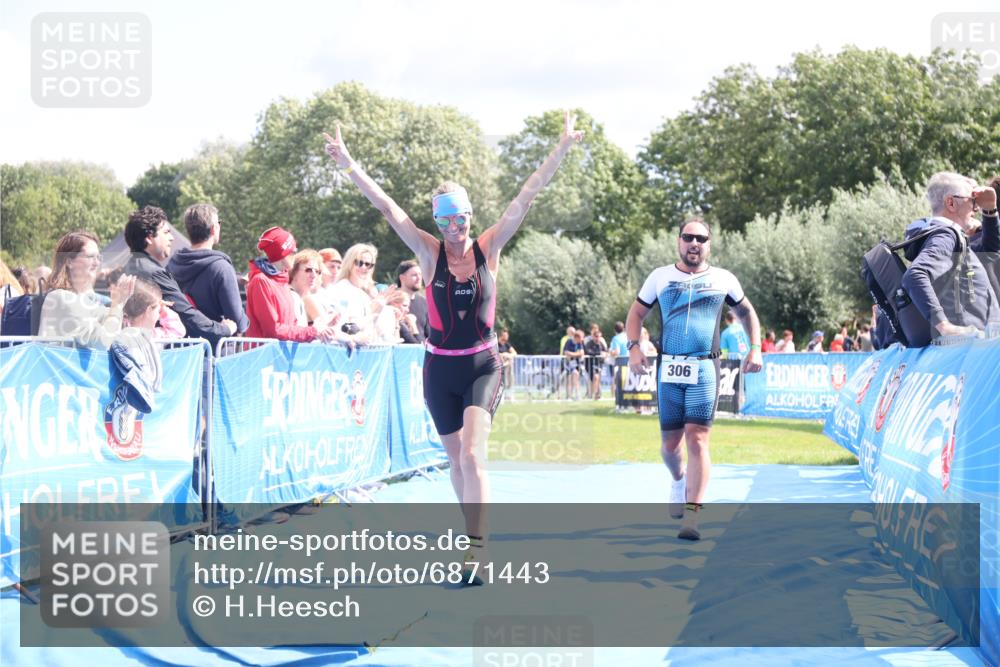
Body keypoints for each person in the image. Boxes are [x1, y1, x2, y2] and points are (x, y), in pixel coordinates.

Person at [323, 112, 584, 578]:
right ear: (437, 222)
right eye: (443, 220)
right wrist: (348, 164)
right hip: (439, 369)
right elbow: (388, 208)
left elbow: (526, 198)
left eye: (459, 218)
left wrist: (561, 148)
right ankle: (472, 536)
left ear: (469, 216)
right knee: (454, 462)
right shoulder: (429, 252)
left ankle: (478, 551)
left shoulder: (489, 248)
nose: (452, 227)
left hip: (483, 365)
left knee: (472, 454)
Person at [626, 218, 762, 541]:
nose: (694, 243)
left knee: (698, 439)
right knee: (670, 445)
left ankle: (693, 514)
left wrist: (755, 349)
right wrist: (634, 348)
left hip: (704, 369)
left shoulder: (723, 279)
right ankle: (678, 480)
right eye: (688, 237)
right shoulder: (660, 277)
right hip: (669, 369)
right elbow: (635, 314)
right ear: (679, 242)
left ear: (709, 245)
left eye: (701, 238)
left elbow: (748, 313)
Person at [901, 171, 999, 339]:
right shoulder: (946, 235)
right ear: (951, 203)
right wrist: (944, 326)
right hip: (972, 349)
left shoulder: (947, 234)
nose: (976, 208)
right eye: (972, 201)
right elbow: (915, 275)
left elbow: (991, 250)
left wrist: (990, 210)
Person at [123, 206, 237, 350]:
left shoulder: (131, 266)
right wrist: (223, 329)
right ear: (149, 238)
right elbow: (187, 315)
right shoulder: (153, 272)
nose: (171, 238)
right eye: (166, 232)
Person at [38, 231, 136, 348]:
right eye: (90, 256)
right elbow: (102, 342)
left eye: (98, 257)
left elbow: (108, 321)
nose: (97, 262)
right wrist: (117, 305)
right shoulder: (60, 298)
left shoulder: (85, 301)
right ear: (69, 261)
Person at [245, 226, 339, 342]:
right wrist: (313, 330)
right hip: (264, 357)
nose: (296, 255)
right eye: (293, 251)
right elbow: (272, 330)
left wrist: (318, 329)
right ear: (282, 254)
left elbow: (292, 327)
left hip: (281, 356)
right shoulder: (261, 281)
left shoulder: (282, 280)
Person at [167, 203, 249, 334]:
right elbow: (237, 321)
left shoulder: (172, 265)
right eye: (219, 223)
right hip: (216, 348)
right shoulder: (221, 268)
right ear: (213, 229)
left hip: (181, 347)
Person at [288, 249, 325, 325]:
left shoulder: (300, 297)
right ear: (293, 272)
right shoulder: (289, 297)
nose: (314, 275)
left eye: (317, 271)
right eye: (308, 270)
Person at [396, 259, 428, 342]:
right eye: (414, 275)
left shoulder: (424, 302)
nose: (419, 278)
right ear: (402, 278)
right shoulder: (393, 301)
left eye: (420, 274)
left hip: (421, 350)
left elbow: (428, 334)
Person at [582, 324, 608, 400]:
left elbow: (605, 351)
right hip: (589, 364)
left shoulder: (601, 343)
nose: (597, 338)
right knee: (593, 379)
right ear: (593, 336)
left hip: (599, 364)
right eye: (596, 336)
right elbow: (588, 351)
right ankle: (592, 394)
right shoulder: (589, 343)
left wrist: (605, 354)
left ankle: (595, 394)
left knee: (597, 378)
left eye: (599, 336)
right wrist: (599, 353)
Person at [563, 328, 585, 400]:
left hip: (576, 363)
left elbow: (581, 353)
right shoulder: (569, 342)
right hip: (569, 363)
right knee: (571, 378)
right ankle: (570, 396)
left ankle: (576, 395)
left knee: (575, 377)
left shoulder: (580, 343)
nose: (582, 340)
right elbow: (566, 353)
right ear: (577, 337)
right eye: (581, 338)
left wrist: (573, 354)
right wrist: (576, 354)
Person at [497, 328, 517, 393]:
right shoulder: (496, 344)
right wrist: (502, 354)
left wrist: (507, 355)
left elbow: (514, 353)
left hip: (507, 364)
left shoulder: (507, 344)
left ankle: (510, 388)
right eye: (505, 335)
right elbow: (495, 353)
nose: (507, 337)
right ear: (501, 336)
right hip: (499, 365)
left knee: (510, 362)